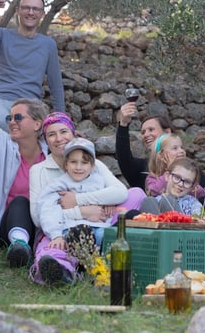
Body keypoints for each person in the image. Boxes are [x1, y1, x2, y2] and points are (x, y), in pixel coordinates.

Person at [29, 112, 140, 285]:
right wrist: (80, 212)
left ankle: (109, 263)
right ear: (66, 164)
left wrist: (94, 201)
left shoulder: (96, 172)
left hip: (100, 224)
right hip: (67, 228)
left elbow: (120, 193)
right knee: (57, 246)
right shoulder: (51, 180)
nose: (59, 138)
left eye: (63, 131)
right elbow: (43, 213)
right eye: (51, 134)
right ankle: (64, 270)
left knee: (135, 197)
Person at [0, 53, 49, 266]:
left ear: (37, 124)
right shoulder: (0, 145)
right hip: (9, 228)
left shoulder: (51, 154)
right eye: (9, 118)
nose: (12, 122)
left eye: (18, 117)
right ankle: (19, 247)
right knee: (19, 203)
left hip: (45, 226)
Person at [0, 0, 65, 129]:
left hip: (31, 105)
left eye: (36, 9)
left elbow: (56, 85)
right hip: (1, 102)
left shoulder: (48, 44)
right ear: (17, 11)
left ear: (42, 14)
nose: (30, 12)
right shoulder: (1, 36)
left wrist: (62, 120)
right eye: (26, 8)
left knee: (42, 131)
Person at [35, 138, 118, 284]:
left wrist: (110, 202)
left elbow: (115, 194)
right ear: (66, 164)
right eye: (73, 162)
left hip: (100, 228)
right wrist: (56, 235)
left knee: (108, 237)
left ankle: (101, 269)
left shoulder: (100, 182)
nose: (78, 167)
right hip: (72, 230)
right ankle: (81, 267)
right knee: (79, 234)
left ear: (92, 165)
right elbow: (48, 210)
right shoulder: (59, 185)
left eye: (84, 162)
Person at [115, 104, 173, 188]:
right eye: (143, 132)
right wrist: (123, 124)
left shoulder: (188, 166)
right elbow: (124, 157)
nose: (146, 135)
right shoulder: (141, 167)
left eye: (151, 130)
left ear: (167, 132)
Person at [145, 134, 205, 200]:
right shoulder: (153, 177)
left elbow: (201, 193)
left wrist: (188, 182)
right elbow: (153, 192)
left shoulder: (190, 173)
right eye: (175, 148)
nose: (181, 151)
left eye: (182, 147)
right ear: (161, 155)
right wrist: (171, 170)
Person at [139, 157, 203, 216]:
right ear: (167, 176)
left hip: (182, 227)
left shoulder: (193, 204)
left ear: (192, 187)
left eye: (187, 182)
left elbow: (199, 222)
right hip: (156, 224)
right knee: (148, 201)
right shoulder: (156, 201)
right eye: (177, 177)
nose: (180, 184)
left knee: (168, 201)